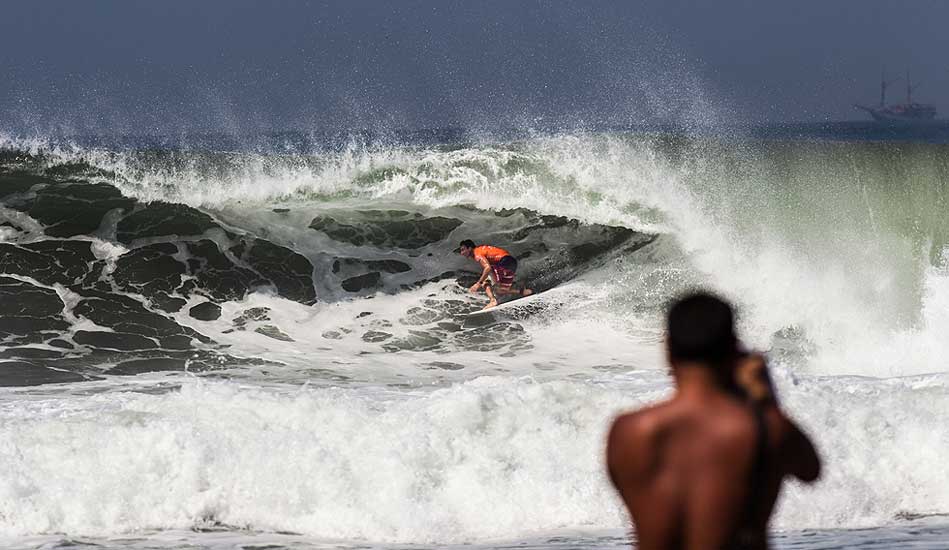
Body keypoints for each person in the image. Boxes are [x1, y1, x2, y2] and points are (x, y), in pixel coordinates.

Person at [606, 292, 820, 550]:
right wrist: (765, 399)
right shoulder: (761, 429)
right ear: (733, 349)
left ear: (668, 348)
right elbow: (811, 470)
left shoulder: (629, 432)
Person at [457, 239, 533, 310]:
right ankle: (522, 291)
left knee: (485, 282)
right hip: (512, 263)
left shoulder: (477, 253)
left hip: (504, 262)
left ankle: (492, 301)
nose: (462, 253)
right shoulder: (481, 249)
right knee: (499, 290)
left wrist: (478, 284)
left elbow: (488, 268)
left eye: (463, 250)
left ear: (470, 248)